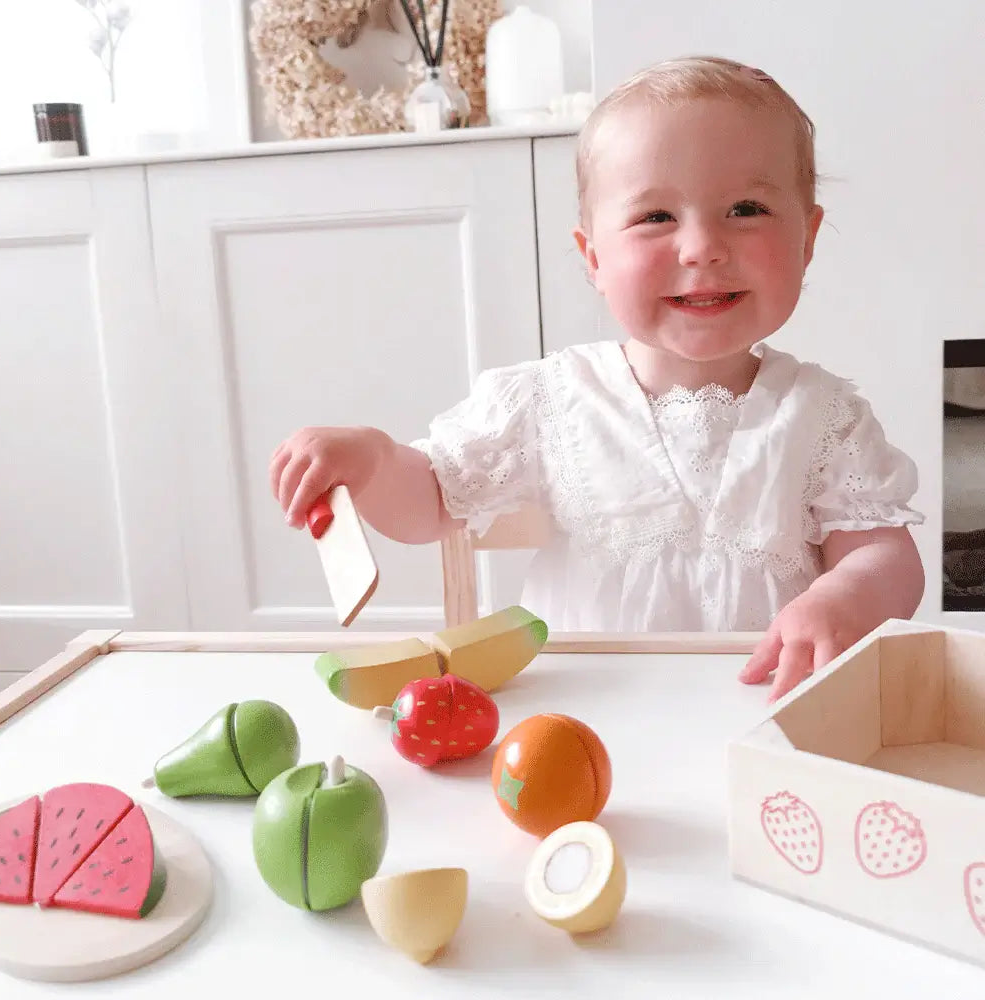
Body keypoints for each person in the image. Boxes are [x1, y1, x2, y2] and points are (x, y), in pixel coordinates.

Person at [269, 55, 925, 702]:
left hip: (767, 713)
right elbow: (433, 500)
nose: (702, 246)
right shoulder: (550, 400)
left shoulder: (823, 414)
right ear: (594, 257)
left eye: (746, 208)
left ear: (807, 239)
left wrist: (840, 599)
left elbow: (884, 557)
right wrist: (375, 458)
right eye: (655, 218)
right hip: (582, 729)